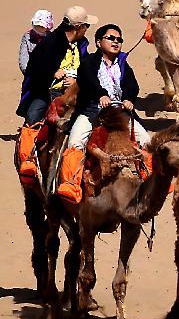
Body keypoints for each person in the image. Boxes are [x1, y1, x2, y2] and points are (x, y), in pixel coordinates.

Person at [55, 24, 151, 203]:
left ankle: (149, 179)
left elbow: (132, 85)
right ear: (99, 42)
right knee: (76, 142)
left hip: (119, 112)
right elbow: (87, 80)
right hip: (93, 110)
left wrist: (129, 98)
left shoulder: (123, 63)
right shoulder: (89, 63)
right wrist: (100, 95)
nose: (116, 42)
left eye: (119, 39)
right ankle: (70, 183)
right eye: (111, 38)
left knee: (146, 140)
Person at [15, 6, 94, 180]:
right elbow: (32, 68)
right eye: (86, 26)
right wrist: (53, 72)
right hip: (46, 92)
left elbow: (88, 68)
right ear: (78, 27)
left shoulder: (82, 45)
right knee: (32, 120)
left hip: (75, 93)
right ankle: (28, 160)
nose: (87, 29)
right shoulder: (50, 43)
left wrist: (77, 80)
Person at [18, 9, 54, 74]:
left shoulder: (52, 38)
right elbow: (23, 58)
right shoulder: (27, 37)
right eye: (36, 25)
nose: (38, 28)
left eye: (41, 26)